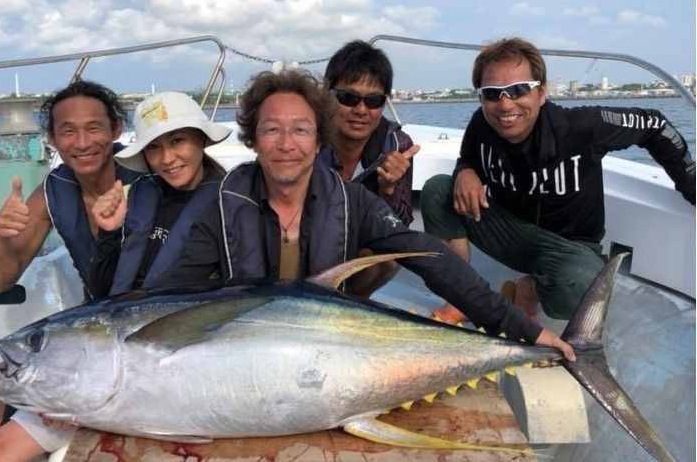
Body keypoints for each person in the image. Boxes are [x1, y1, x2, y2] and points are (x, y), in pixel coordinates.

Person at [162, 68, 575, 361]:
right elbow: (172, 294)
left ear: (319, 137)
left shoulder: (352, 201)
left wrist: (524, 329)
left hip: (330, 349)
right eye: (272, 130)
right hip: (246, 352)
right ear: (253, 139)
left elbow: (430, 258)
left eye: (301, 130)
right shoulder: (221, 203)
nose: (286, 144)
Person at [421, 37, 695, 323]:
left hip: (570, 247)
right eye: (492, 93)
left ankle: (530, 289)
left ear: (541, 92)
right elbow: (469, 154)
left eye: (518, 90)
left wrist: (692, 185)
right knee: (438, 190)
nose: (504, 104)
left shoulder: (581, 128)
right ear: (481, 98)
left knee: (583, 294)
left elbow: (655, 125)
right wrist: (465, 170)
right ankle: (464, 297)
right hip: (512, 232)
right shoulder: (483, 122)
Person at [0, 80, 142, 462]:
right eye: (68, 131)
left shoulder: (147, 178)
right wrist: (1, 235)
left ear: (116, 129)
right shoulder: (55, 188)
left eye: (94, 128)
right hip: (91, 332)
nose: (82, 142)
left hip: (142, 332)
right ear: (51, 138)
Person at [89, 91, 231, 295]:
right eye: (153, 147)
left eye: (177, 141)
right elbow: (100, 290)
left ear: (202, 139)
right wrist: (109, 232)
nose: (167, 158)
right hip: (124, 316)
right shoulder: (132, 197)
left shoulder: (230, 203)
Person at [318, 40, 420, 297]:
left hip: (355, 243)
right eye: (348, 98)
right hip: (307, 238)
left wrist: (389, 190)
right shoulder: (307, 137)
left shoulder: (397, 145)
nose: (361, 110)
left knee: (389, 257)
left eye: (373, 101)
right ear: (327, 95)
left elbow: (400, 227)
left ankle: (350, 304)